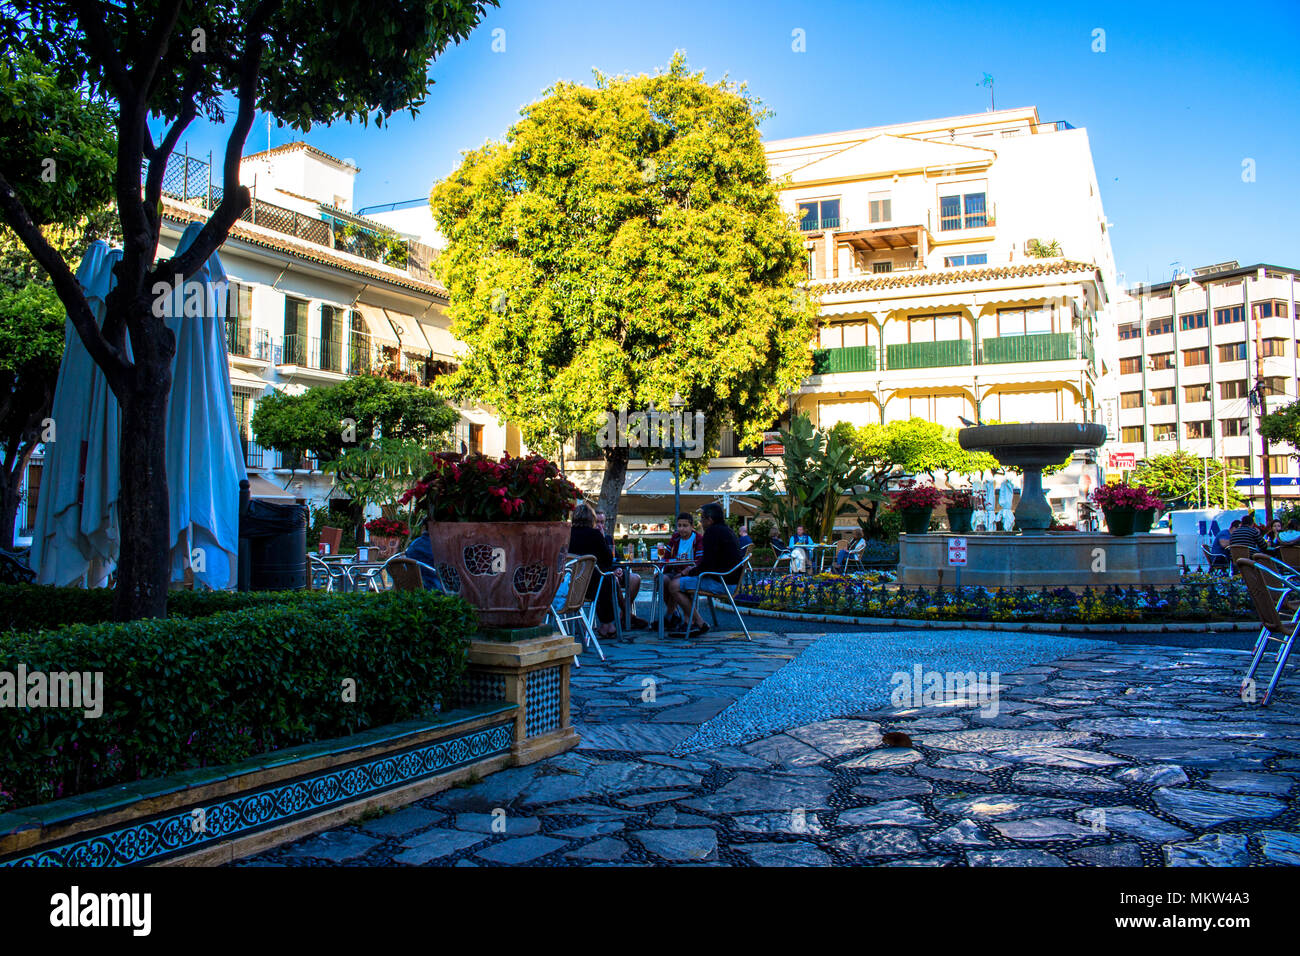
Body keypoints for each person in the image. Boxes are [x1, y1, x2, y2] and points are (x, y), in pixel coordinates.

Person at [664, 502, 743, 638]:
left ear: (709, 520)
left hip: (722, 584)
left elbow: (707, 565)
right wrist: (691, 571)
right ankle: (689, 622)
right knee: (684, 581)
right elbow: (710, 563)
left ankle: (699, 623)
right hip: (728, 580)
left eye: (702, 518)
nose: (700, 521)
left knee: (674, 585)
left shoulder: (711, 533)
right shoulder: (727, 531)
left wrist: (688, 572)